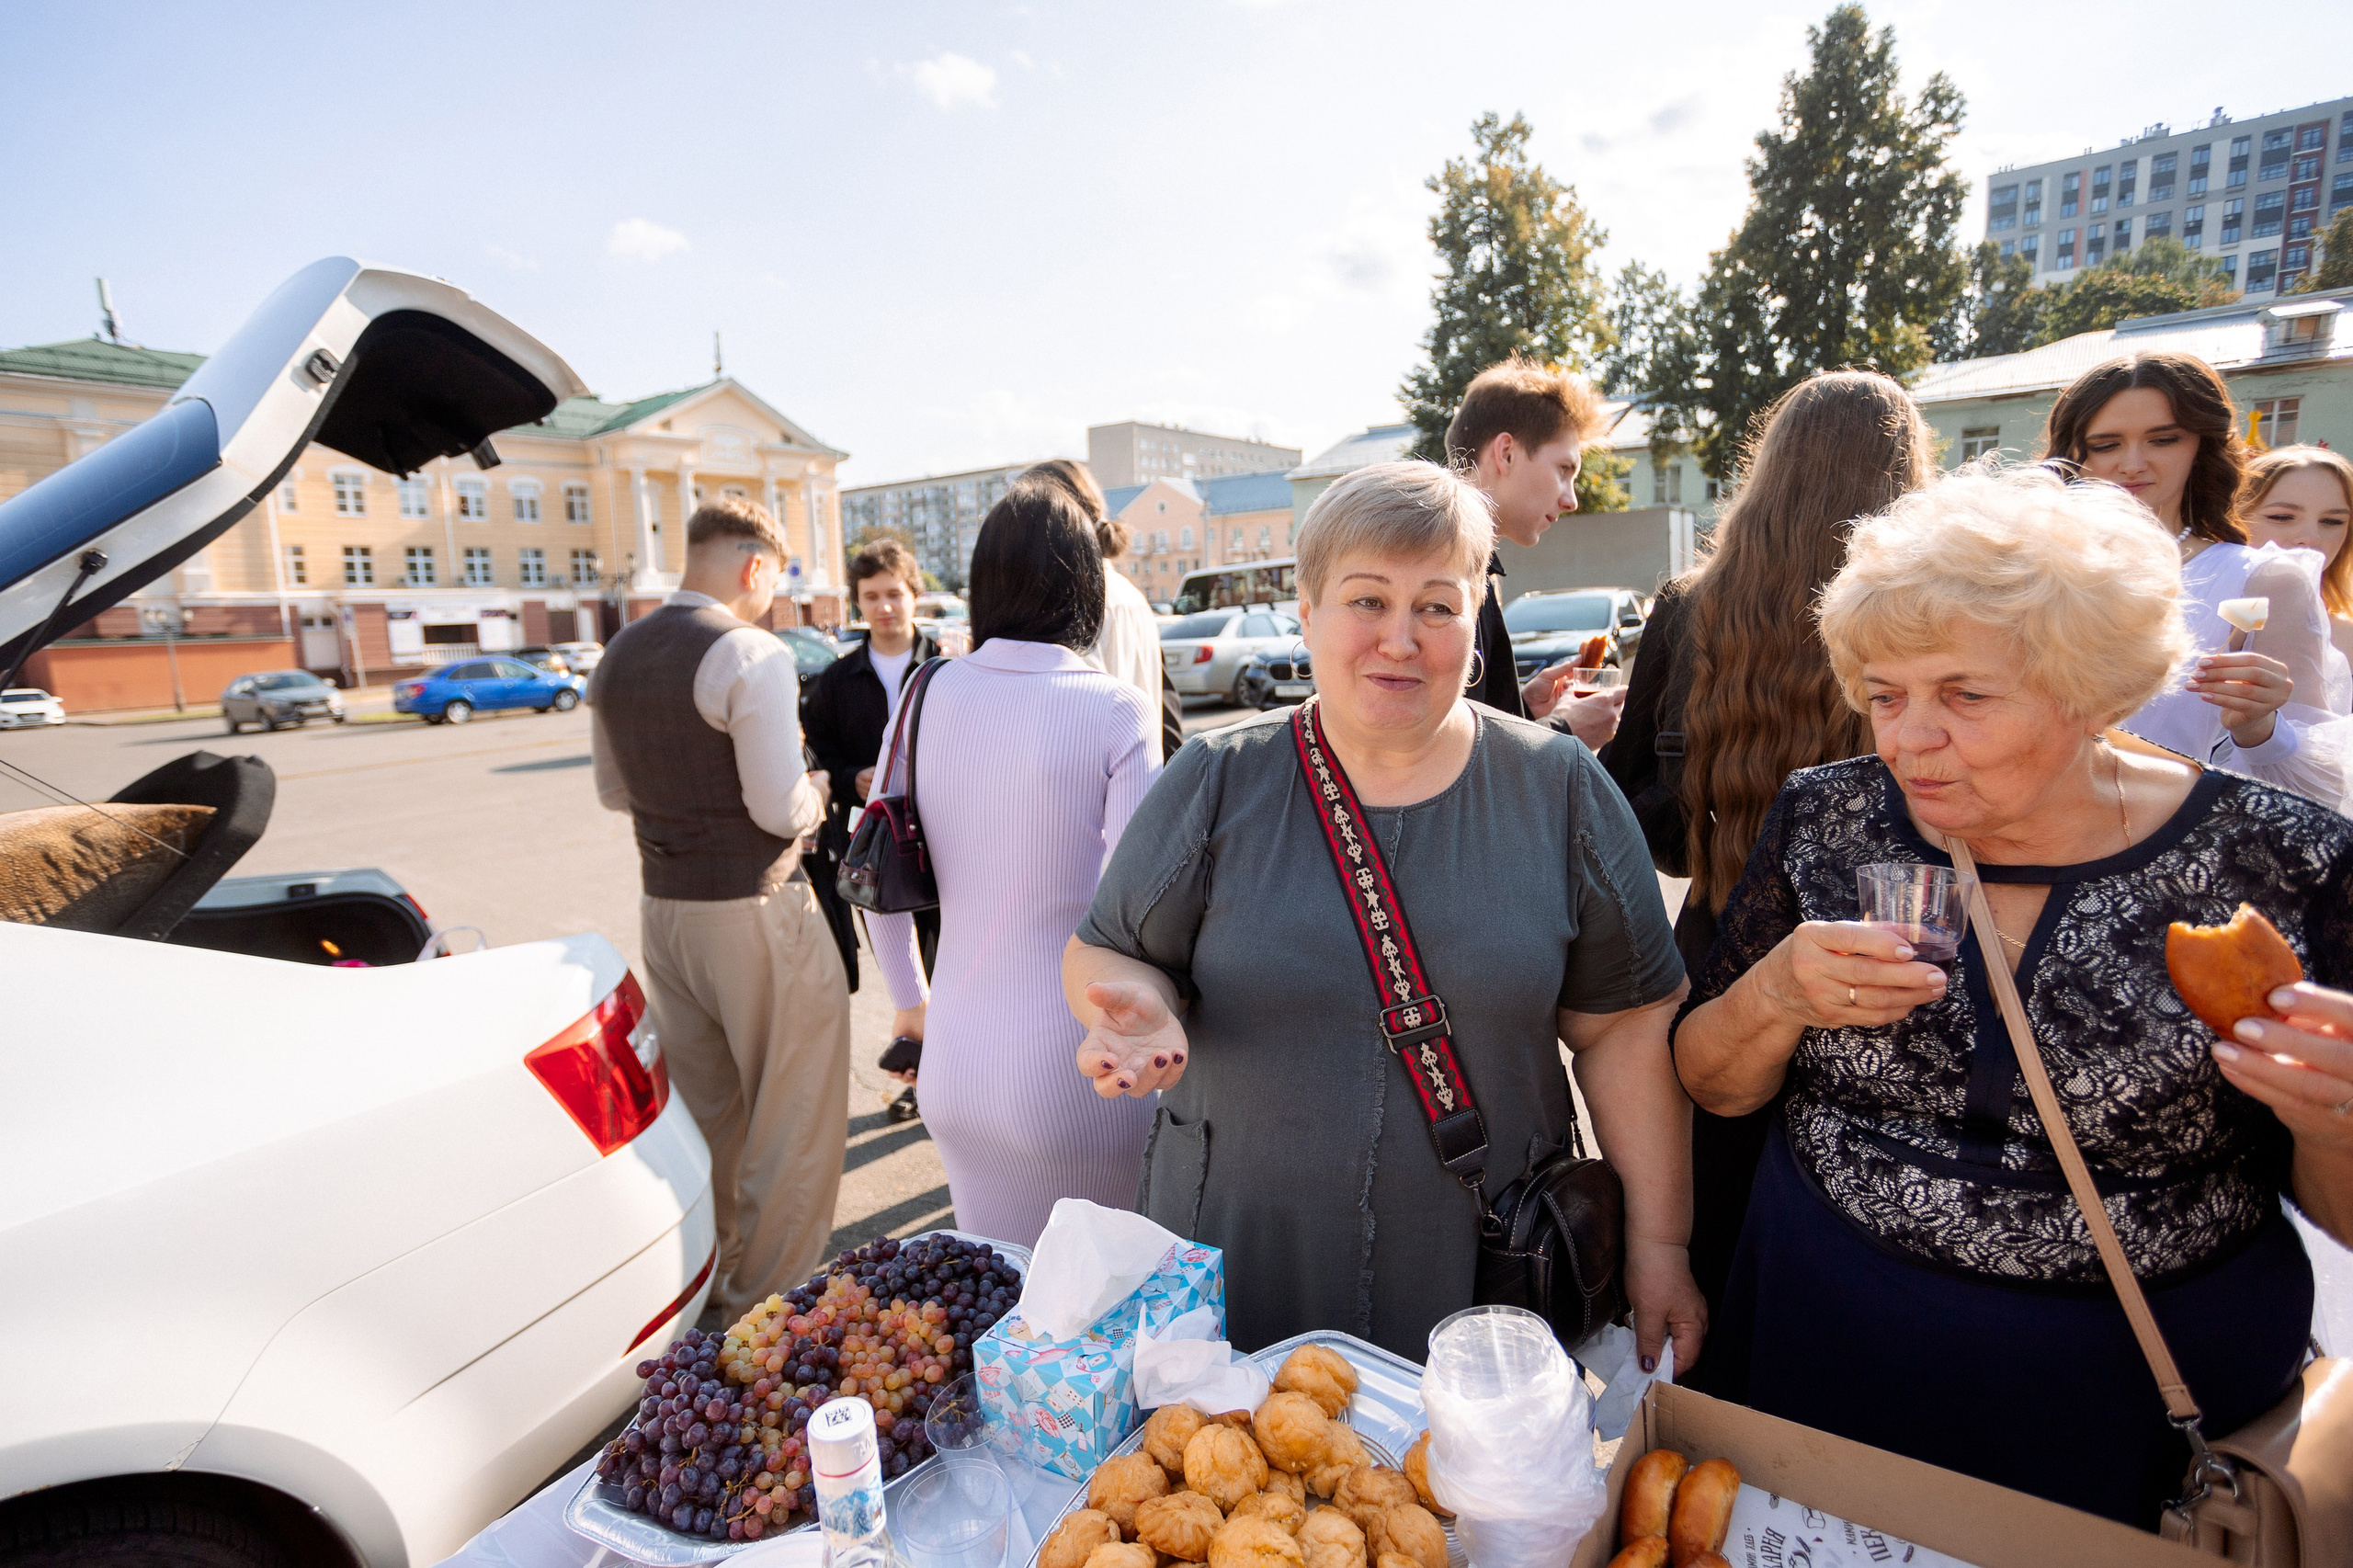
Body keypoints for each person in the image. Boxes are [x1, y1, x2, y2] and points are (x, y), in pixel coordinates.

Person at [1673, 463, 2353, 1527]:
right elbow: (1709, 1084)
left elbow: (2341, 1215)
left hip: (2125, 1402)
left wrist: (2333, 1118)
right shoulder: (1831, 817)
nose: (1905, 738)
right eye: (1884, 694)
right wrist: (1774, 994)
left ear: (2092, 685)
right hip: (1821, 1342)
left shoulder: (2282, 862)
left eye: (1964, 694)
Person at [1064, 460, 1703, 1369]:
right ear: (1309, 609)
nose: (1399, 639)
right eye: (1367, 599)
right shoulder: (1215, 782)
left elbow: (1628, 1031)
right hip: (1234, 1263)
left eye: (1437, 605)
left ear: (1475, 614)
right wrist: (1133, 1002)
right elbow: (1106, 953)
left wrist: (1658, 1246)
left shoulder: (1558, 790)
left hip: (1483, 1277)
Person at [1604, 370, 1936, 1346]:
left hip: (1714, 960)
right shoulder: (1923, 614)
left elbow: (1639, 821)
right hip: (1891, 953)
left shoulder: (1690, 608)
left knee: (1707, 1252)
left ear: (1766, 471)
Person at [865, 479, 1160, 1248]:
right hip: (1080, 1072)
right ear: (1087, 583)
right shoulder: (1115, 708)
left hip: (955, 1064)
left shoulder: (923, 693)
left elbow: (874, 877)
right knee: (1102, 1324)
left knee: (998, 1315)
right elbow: (1133, 910)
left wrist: (909, 1003)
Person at [588, 498, 848, 1319]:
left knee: (710, 1116)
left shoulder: (618, 655)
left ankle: (711, 1279)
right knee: (794, 1115)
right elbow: (777, 808)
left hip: (664, 909)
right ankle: (767, 1311)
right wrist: (817, 794)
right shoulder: (748, 651)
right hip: (756, 906)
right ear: (754, 566)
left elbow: (611, 791)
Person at [2044, 352, 2351, 813]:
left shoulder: (2262, 581)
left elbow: (2321, 792)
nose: (2133, 463)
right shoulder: (2020, 564)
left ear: (2201, 446)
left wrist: (2260, 727)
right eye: (2106, 444)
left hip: (2157, 851)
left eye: (2162, 440)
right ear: (2071, 452)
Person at [1445, 358, 1625, 749]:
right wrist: (1562, 731)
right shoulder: (1445, 573)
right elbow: (1449, 760)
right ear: (1506, 452)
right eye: (1564, 469)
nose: (1572, 499)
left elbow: (1467, 727)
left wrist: (1521, 707)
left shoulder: (1470, 564)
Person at [801, 538, 943, 994]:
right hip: (872, 843)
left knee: (949, 958)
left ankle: (945, 1048)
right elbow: (816, 753)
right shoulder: (837, 680)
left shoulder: (949, 666)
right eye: (872, 596)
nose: (884, 607)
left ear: (914, 595)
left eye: (894, 593)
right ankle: (915, 1037)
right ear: (857, 602)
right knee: (900, 968)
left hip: (945, 833)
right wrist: (848, 778)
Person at [1025, 457, 1186, 764]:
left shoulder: (1069, 599)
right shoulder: (1132, 595)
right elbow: (1168, 715)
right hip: (1142, 781)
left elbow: (1069, 721)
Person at [2241, 444, 2353, 670]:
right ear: (2235, 518)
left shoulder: (2347, 634)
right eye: (2282, 517)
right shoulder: (2186, 619)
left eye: (2332, 521)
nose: (2310, 537)